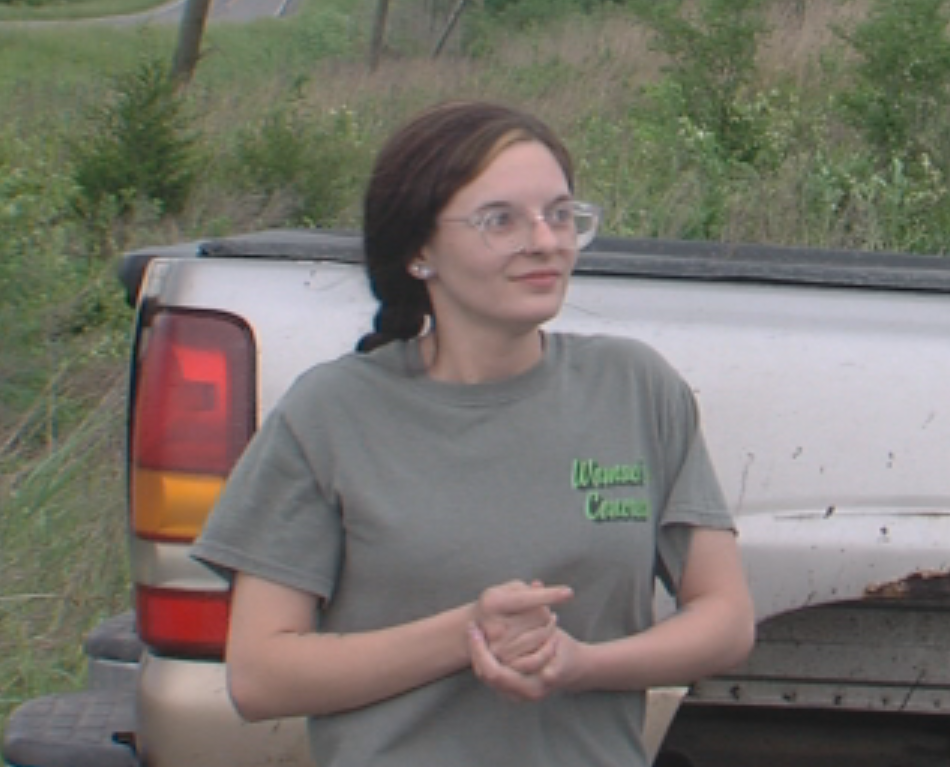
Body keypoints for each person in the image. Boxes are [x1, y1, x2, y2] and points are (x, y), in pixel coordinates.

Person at [192, 100, 754, 766]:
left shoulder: (634, 386)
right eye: (500, 220)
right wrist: (467, 633)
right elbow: (260, 675)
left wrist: (579, 663)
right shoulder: (331, 412)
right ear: (418, 250)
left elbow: (724, 618)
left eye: (560, 213)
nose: (544, 240)